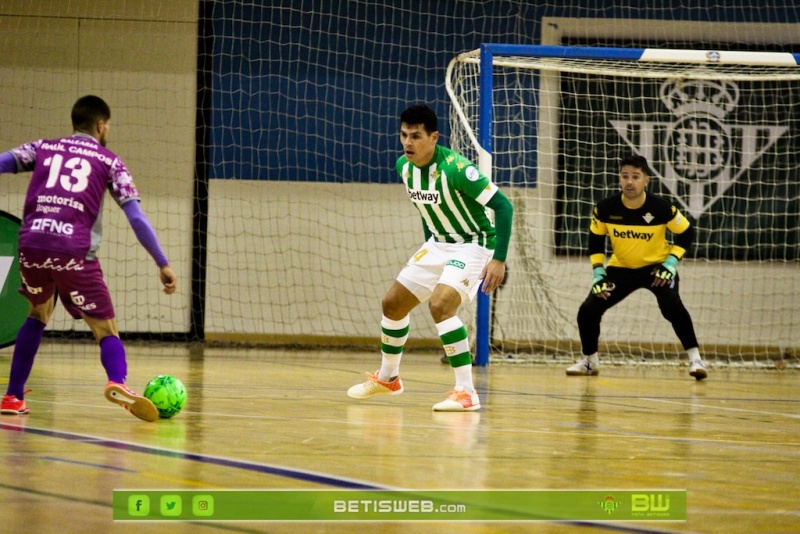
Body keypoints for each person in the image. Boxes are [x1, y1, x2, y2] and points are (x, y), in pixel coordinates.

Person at [0, 95, 177, 422]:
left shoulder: (43, 147)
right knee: (105, 328)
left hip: (32, 244)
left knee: (37, 313)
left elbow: (4, 161)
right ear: (100, 125)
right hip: (73, 251)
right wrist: (162, 262)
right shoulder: (109, 161)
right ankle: (117, 382)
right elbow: (136, 217)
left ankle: (12, 396)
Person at [347, 103, 513, 411]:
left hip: (473, 243)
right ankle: (389, 378)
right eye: (404, 135)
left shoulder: (457, 169)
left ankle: (466, 392)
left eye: (416, 136)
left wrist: (498, 258)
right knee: (392, 304)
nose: (408, 143)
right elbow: (427, 210)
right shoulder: (404, 168)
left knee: (440, 305)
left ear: (434, 137)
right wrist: (429, 253)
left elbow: (504, 206)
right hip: (438, 244)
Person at [567, 154, 707, 380]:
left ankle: (696, 359)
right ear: (619, 180)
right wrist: (598, 271)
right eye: (625, 177)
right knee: (588, 310)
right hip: (621, 269)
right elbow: (595, 239)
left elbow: (686, 232)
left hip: (656, 269)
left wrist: (671, 262)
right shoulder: (604, 208)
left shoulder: (661, 208)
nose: (629, 182)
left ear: (646, 181)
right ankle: (590, 362)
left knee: (671, 305)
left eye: (635, 177)